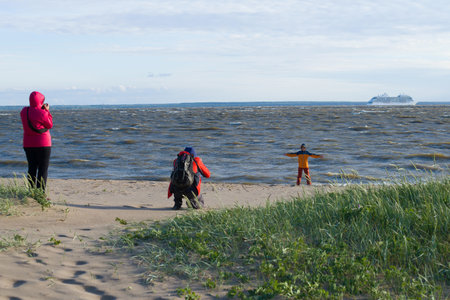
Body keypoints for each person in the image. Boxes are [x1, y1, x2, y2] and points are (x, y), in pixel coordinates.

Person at [20, 91, 53, 191]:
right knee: (42, 169)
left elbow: (32, 116)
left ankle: (31, 191)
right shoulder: (42, 113)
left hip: (28, 144)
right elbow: (50, 124)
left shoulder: (24, 111)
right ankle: (40, 193)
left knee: (32, 168)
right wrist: (47, 111)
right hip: (43, 144)